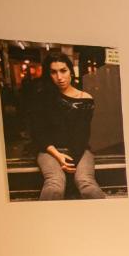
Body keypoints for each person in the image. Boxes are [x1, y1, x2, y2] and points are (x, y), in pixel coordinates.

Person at [28, 52, 105, 200]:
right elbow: (38, 133)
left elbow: (82, 135)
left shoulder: (85, 98)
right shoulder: (42, 97)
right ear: (48, 74)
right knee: (54, 185)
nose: (59, 77)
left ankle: (110, 218)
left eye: (63, 70)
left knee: (87, 184)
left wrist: (71, 160)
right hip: (49, 150)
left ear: (71, 70)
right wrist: (58, 156)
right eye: (53, 72)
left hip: (80, 149)